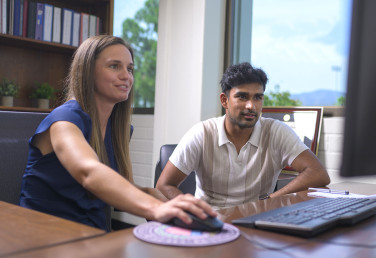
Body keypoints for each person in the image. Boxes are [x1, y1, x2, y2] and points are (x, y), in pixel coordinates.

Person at [19, 35, 216, 231]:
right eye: (114, 66)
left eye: (130, 69)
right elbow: (89, 172)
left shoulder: (118, 129)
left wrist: (178, 207)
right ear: (87, 72)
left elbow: (126, 187)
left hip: (92, 236)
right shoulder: (64, 119)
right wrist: (155, 208)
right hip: (44, 236)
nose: (126, 76)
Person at [156, 62, 330, 208]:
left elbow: (318, 173)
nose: (251, 106)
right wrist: (195, 210)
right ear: (225, 100)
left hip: (258, 220)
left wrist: (270, 200)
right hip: (212, 222)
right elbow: (164, 185)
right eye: (242, 97)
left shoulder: (277, 132)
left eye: (257, 98)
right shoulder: (201, 133)